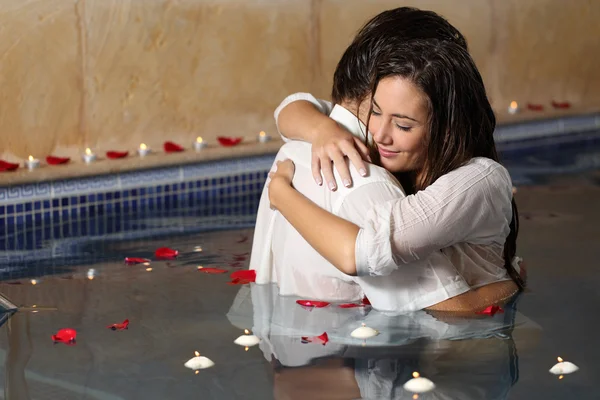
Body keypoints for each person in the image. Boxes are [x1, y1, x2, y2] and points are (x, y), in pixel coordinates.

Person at [253, 7, 521, 312]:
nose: (379, 134)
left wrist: (282, 194)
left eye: (404, 125)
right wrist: (322, 129)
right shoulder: (359, 145)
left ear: (446, 128)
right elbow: (290, 108)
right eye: (376, 112)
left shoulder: (474, 180)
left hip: (480, 337)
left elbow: (360, 253)